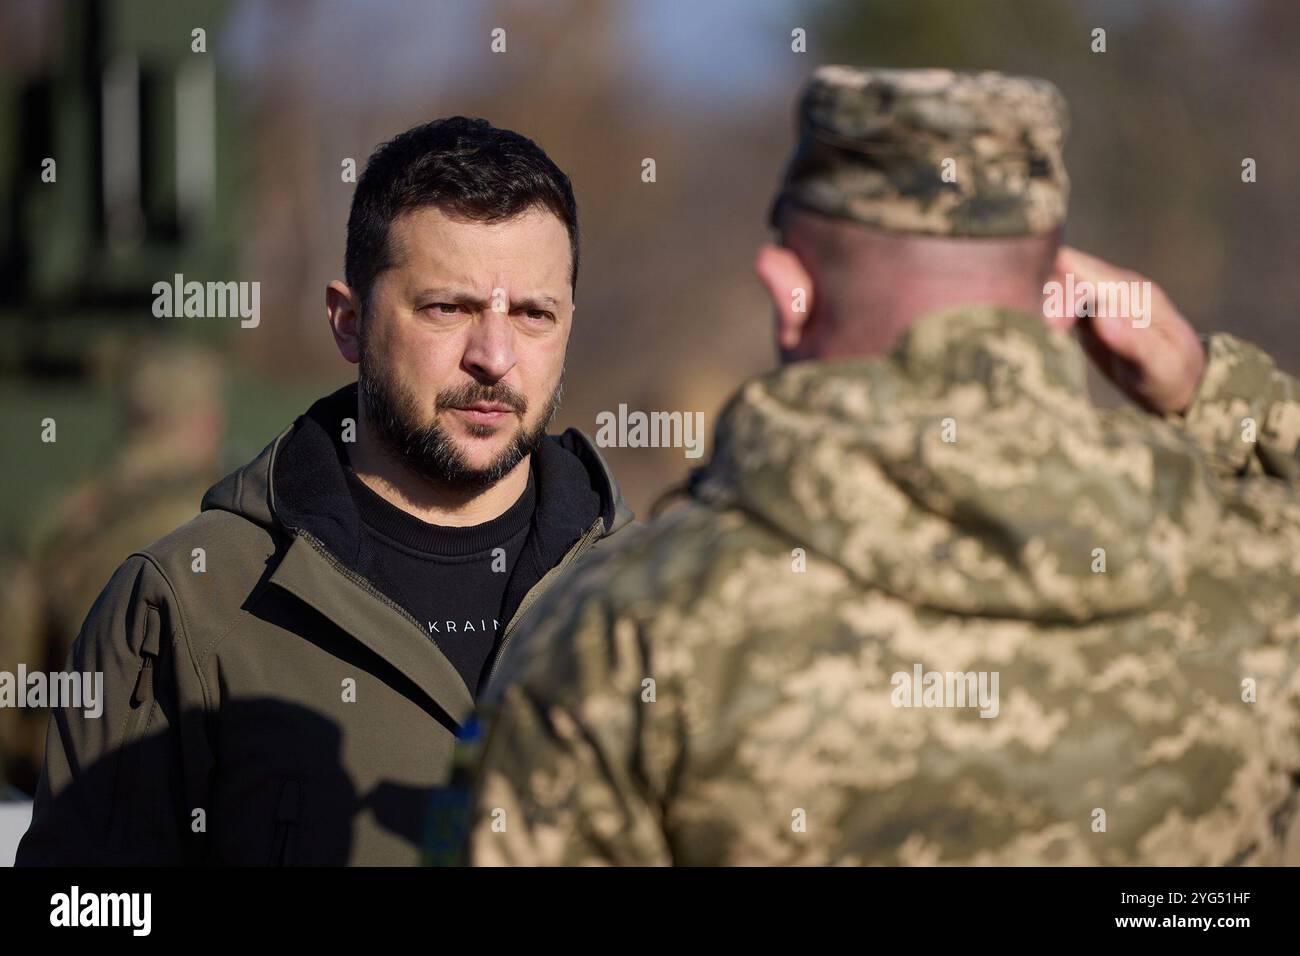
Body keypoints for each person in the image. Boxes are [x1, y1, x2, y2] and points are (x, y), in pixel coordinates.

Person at [466, 67, 1300, 866]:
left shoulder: (624, 633)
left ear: (789, 292)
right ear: (1062, 301)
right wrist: (1215, 392)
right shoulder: (1261, 567)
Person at [18, 116, 632, 866]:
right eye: (448, 308)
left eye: (533, 315)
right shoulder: (190, 607)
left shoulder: (659, 603)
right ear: (349, 321)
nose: (495, 357)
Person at [0, 343, 224, 798]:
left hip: (54, 787)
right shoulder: (211, 525)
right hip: (158, 794)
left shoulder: (61, 521)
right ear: (206, 423)